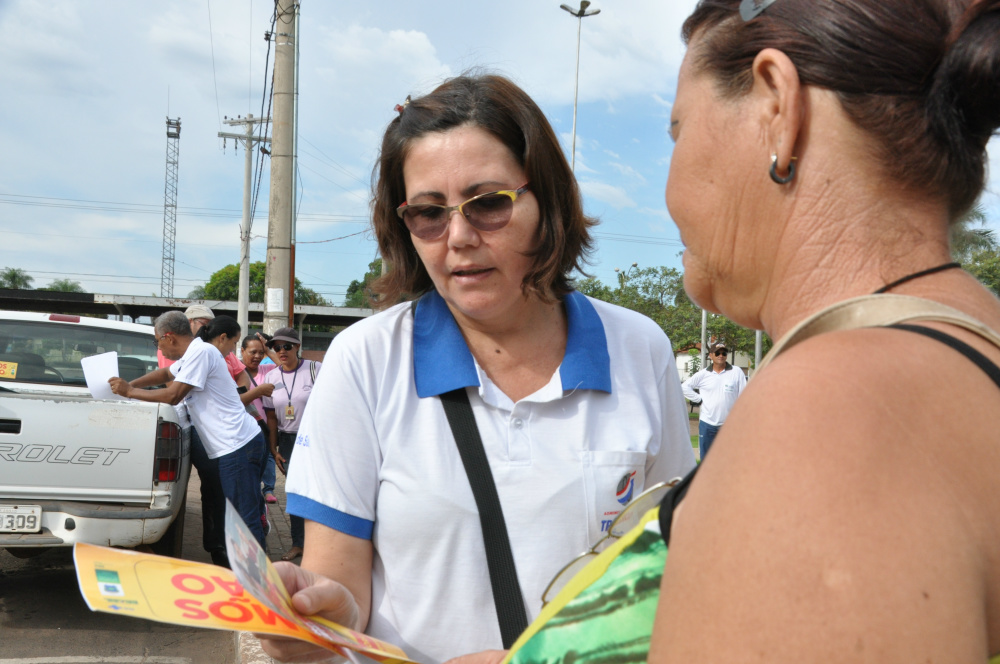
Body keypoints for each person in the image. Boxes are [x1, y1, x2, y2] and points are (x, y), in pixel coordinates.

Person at [257, 73, 697, 664]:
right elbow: (342, 591)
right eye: (428, 214)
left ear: (548, 201)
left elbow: (667, 568)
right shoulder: (366, 361)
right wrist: (318, 623)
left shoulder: (638, 348)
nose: (458, 237)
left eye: (488, 204)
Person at [644, 1, 1000, 662]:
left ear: (778, 105)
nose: (671, 179)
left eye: (676, 131)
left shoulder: (830, 408)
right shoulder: (972, 337)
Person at [109, 312, 270, 549]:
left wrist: (129, 393)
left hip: (238, 446)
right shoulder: (195, 353)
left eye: (157, 342)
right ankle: (249, 577)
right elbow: (165, 374)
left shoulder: (202, 353)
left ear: (169, 337)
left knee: (244, 519)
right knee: (239, 516)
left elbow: (173, 395)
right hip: (233, 447)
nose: (159, 349)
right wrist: (130, 383)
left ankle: (260, 583)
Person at [259, 327, 320, 563]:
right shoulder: (272, 377)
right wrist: (274, 449)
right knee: (295, 491)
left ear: (297, 346)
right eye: (276, 347)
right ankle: (298, 543)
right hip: (287, 440)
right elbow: (272, 418)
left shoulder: (315, 370)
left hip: (314, 439)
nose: (281, 351)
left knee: (316, 492)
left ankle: (319, 543)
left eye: (287, 346)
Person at [681, 341, 746, 459]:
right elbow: (684, 387)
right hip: (707, 424)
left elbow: (744, 395)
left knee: (729, 459)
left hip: (729, 425)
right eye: (717, 353)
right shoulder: (703, 374)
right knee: (706, 460)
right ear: (711, 355)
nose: (721, 355)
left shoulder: (737, 372)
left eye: (724, 353)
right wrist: (699, 400)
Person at [241, 332, 278, 505]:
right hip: (243, 429)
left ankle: (268, 489)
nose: (257, 356)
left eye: (260, 353)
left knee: (269, 457)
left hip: (265, 425)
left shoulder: (268, 369)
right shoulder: (235, 372)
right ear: (242, 351)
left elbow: (286, 367)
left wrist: (269, 351)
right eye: (252, 352)